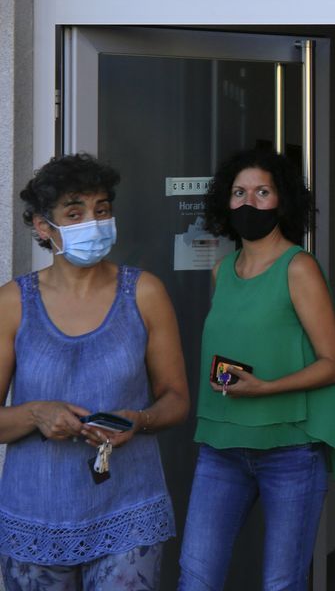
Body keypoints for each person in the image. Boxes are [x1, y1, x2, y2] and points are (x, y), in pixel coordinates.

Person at [0, 153, 189, 589]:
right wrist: (34, 414)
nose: (94, 221)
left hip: (128, 511)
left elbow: (176, 398)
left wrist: (139, 420)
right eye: (75, 211)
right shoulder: (13, 303)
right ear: (43, 227)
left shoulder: (144, 292)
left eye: (102, 209)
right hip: (34, 518)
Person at [178, 149, 335, 591]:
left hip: (289, 449)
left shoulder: (299, 268)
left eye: (261, 191)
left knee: (281, 584)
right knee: (196, 579)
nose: (249, 202)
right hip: (221, 445)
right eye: (239, 192)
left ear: (282, 201)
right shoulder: (222, 271)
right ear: (225, 202)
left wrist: (267, 387)